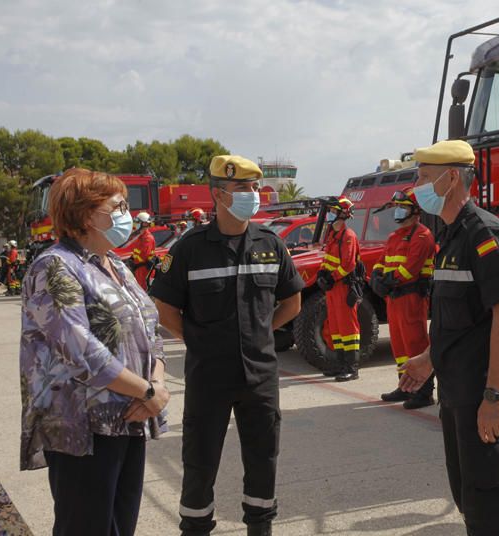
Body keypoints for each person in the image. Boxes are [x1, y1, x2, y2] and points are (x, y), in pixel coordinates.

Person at [150, 155, 304, 536]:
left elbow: (293, 301)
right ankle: (196, 527)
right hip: (209, 375)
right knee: (200, 460)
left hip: (260, 375)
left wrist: (260, 333)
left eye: (254, 187)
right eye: (243, 189)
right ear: (218, 195)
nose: (253, 194)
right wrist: (195, 338)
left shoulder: (271, 243)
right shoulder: (189, 248)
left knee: (263, 457)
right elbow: (164, 307)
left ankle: (260, 526)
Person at [19, 167, 169, 536]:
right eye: (116, 207)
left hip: (128, 420)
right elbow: (80, 349)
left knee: (119, 527)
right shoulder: (55, 266)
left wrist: (157, 384)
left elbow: (151, 329)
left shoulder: (114, 264)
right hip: (83, 429)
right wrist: (149, 392)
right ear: (86, 214)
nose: (126, 215)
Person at [399, 140, 499, 535]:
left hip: (479, 393)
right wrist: (428, 358)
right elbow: (460, 322)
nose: (416, 187)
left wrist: (493, 397)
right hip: (456, 389)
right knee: (466, 494)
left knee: (487, 498)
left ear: (451, 177)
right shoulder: (452, 236)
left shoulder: (483, 234)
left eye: (423, 177)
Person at [370, 188, 436, 409]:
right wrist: (376, 277)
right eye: (397, 206)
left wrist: (388, 280)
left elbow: (411, 270)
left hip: (411, 298)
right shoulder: (394, 236)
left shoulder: (422, 236)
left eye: (403, 207)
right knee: (399, 345)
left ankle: (424, 392)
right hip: (394, 298)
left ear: (416, 211)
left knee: (415, 344)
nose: (398, 211)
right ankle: (405, 387)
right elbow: (381, 260)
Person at [316, 196, 362, 381]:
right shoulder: (332, 235)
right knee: (334, 327)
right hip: (332, 289)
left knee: (348, 328)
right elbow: (328, 259)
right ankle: (340, 365)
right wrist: (321, 273)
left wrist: (332, 277)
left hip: (343, 287)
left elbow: (348, 265)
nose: (329, 214)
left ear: (342, 214)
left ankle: (352, 368)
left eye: (332, 211)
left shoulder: (348, 236)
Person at [131, 211, 156, 291]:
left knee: (142, 291)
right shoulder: (140, 236)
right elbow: (136, 252)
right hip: (139, 269)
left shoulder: (147, 238)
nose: (135, 224)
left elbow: (143, 256)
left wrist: (134, 263)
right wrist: (131, 258)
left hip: (143, 269)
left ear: (144, 224)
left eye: (138, 222)